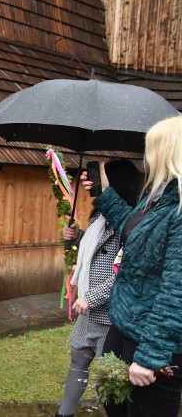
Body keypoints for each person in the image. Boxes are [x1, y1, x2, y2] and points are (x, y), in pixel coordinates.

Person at [85, 115, 182, 417]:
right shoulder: (159, 198)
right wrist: (104, 192)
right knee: (114, 403)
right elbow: (132, 227)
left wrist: (152, 356)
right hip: (126, 323)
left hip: (154, 339)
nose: (147, 158)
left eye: (151, 149)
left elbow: (176, 289)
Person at [55, 160, 142, 417]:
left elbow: (125, 270)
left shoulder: (132, 220)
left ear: (117, 184)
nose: (93, 183)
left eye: (101, 178)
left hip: (112, 314)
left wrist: (91, 298)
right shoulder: (100, 214)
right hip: (90, 313)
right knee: (78, 360)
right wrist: (78, 234)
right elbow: (98, 252)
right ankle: (64, 414)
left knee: (110, 377)